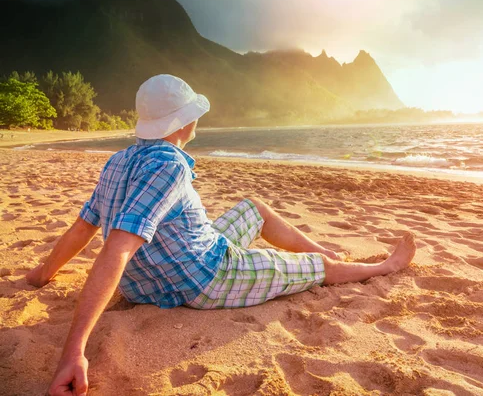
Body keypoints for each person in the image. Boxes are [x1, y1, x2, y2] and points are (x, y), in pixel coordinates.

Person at [26, 74, 416, 396]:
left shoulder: (118, 161)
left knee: (254, 208)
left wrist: (44, 273)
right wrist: (73, 351)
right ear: (184, 122)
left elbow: (83, 226)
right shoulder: (170, 167)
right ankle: (383, 265)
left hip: (146, 283)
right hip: (205, 276)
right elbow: (117, 247)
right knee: (313, 268)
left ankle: (325, 250)